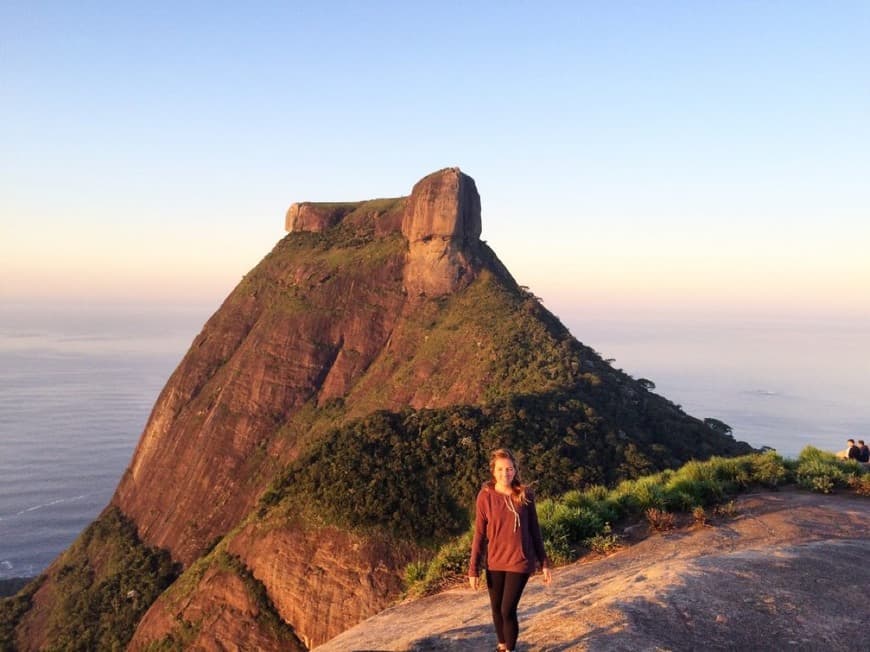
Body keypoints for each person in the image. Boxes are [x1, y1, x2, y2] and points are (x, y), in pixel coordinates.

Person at [468, 448, 551, 652]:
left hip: (519, 561)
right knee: (496, 609)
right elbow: (479, 534)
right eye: (501, 469)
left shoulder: (525, 495)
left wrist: (544, 563)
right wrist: (473, 569)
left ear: (515, 470)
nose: (505, 473)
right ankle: (502, 646)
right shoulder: (485, 496)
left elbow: (534, 530)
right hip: (494, 561)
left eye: (509, 469)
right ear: (493, 471)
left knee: (507, 610)